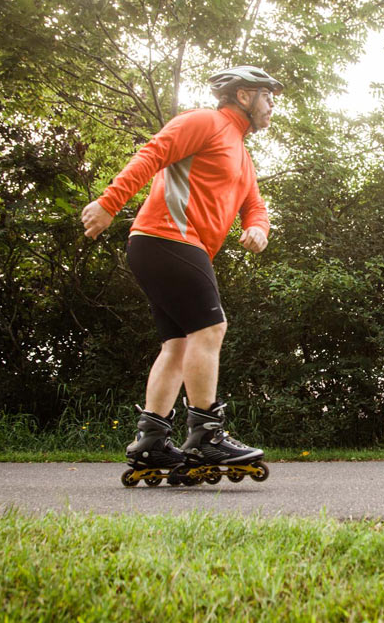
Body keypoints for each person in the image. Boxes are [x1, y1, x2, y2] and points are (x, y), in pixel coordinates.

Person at [80, 65, 282, 474]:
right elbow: (152, 154)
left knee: (179, 345)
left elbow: (255, 206)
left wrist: (258, 228)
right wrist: (108, 203)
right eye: (267, 95)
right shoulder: (204, 122)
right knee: (209, 329)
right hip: (167, 239)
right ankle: (207, 433)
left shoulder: (242, 155)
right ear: (243, 96)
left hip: (175, 248)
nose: (272, 104)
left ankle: (151, 439)